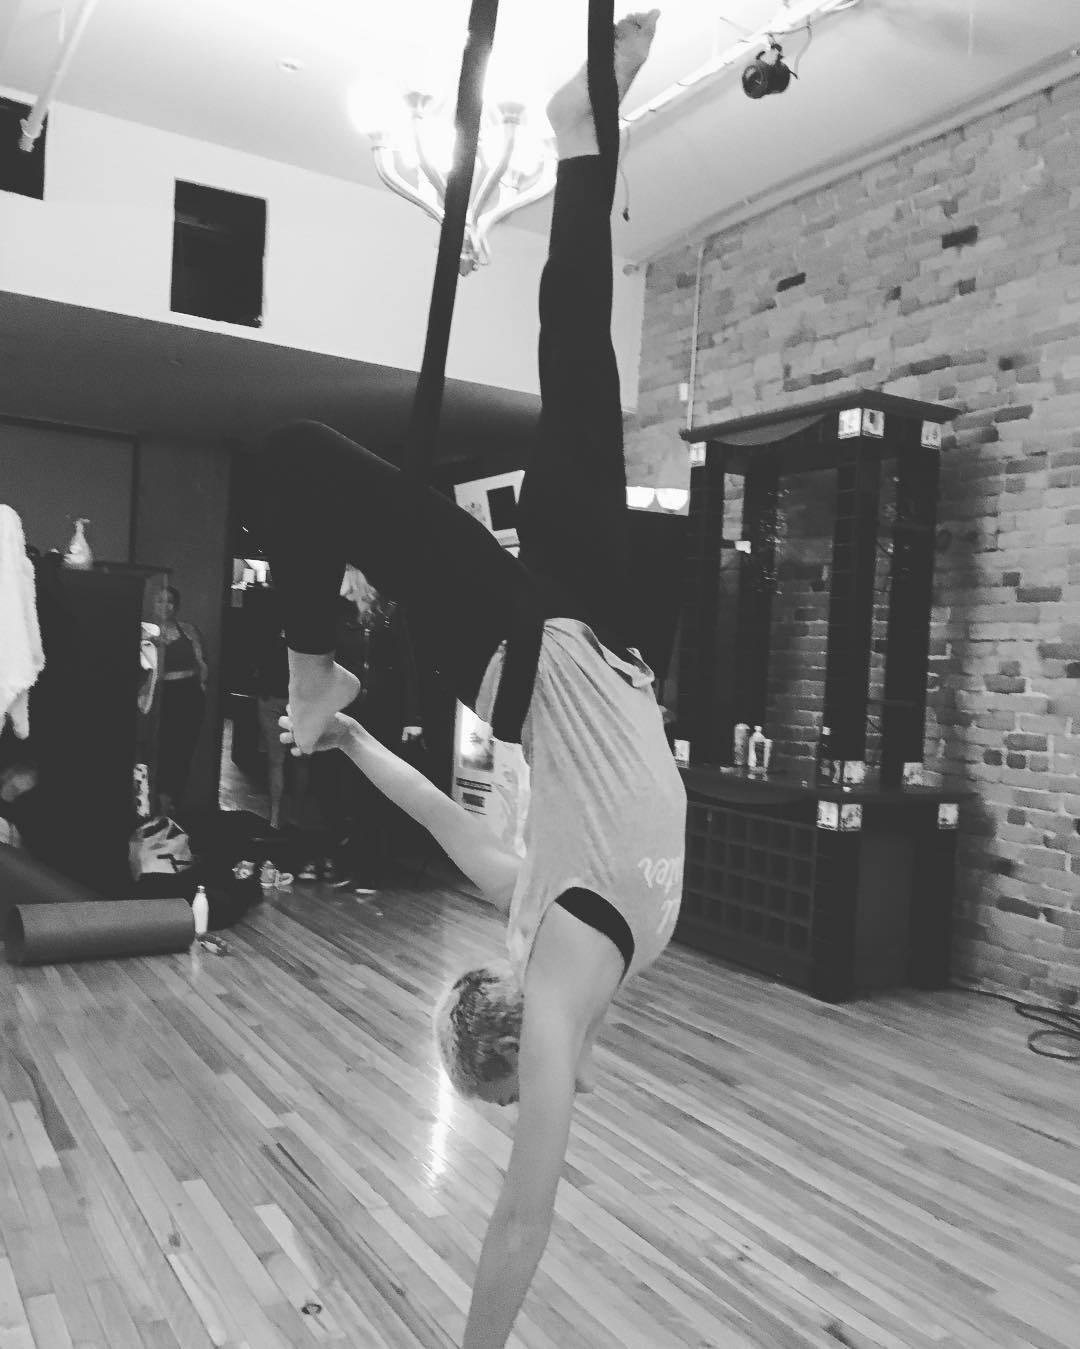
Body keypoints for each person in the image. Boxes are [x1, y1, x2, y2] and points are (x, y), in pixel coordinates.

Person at [263, 11, 679, 1347]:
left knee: (580, 362)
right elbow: (522, 1218)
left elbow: (446, 818)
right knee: (310, 460)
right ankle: (316, 668)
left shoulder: (567, 925)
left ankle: (581, 142)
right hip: (547, 643)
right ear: (492, 1023)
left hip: (592, 629)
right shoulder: (554, 984)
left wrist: (354, 749)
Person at [154, 584, 208, 815]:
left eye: (170, 601)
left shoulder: (188, 629)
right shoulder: (148, 632)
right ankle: (160, 804)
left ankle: (174, 803)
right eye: (160, 601)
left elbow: (202, 663)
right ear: (153, 604)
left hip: (189, 694)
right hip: (163, 695)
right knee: (163, 749)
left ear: (176, 606)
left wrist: (201, 685)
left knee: (183, 750)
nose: (165, 606)